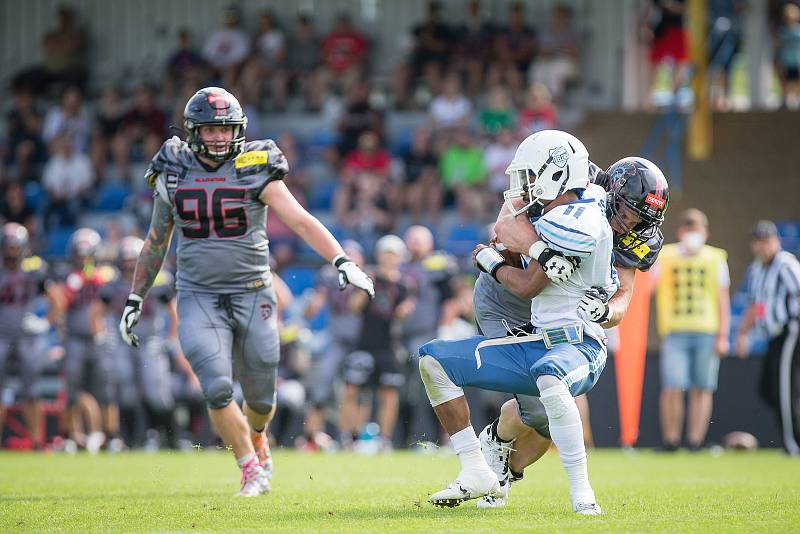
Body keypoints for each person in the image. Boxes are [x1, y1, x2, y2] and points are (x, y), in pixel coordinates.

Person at [118, 87, 374, 496]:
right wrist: (135, 297)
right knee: (217, 387)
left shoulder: (254, 166)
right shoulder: (173, 169)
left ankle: (257, 437)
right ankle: (250, 468)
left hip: (253, 292)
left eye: (226, 128)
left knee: (261, 399)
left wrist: (342, 261)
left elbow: (302, 221)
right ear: (193, 131)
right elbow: (155, 240)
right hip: (197, 295)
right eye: (210, 129)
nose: (220, 137)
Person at [417, 130, 615, 514]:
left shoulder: (585, 215)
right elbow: (506, 228)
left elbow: (527, 270)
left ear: (557, 173)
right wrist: (527, 247)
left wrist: (508, 252)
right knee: (432, 360)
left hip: (574, 341)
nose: (522, 188)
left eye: (529, 176)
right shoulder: (554, 211)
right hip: (528, 331)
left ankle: (577, 492)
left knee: (546, 394)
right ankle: (476, 468)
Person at [474, 155, 669, 508]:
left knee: (553, 414)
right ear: (610, 190)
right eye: (627, 212)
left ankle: (503, 464)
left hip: (561, 310)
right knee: (540, 408)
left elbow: (623, 296)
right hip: (510, 297)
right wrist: (542, 252)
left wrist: (606, 311)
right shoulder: (576, 182)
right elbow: (506, 222)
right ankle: (497, 445)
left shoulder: (639, 237)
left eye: (641, 218)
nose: (630, 224)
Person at [653, 209, 730, 451]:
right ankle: (671, 441)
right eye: (687, 229)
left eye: (696, 229)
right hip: (674, 331)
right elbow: (650, 287)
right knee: (672, 387)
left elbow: (723, 299)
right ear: (680, 232)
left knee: (702, 388)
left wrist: (723, 335)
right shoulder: (665, 256)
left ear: (705, 233)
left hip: (707, 330)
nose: (691, 234)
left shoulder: (716, 258)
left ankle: (696, 441)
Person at [102, 236, 179, 448]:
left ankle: (170, 435)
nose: (128, 264)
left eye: (131, 260)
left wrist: (170, 339)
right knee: (126, 392)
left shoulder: (158, 281)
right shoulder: (112, 284)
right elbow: (98, 311)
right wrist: (103, 335)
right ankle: (134, 438)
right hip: (122, 341)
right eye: (125, 260)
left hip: (151, 340)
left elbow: (174, 312)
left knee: (156, 392)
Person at [340, 235, 415, 450]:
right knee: (353, 390)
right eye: (387, 253)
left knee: (389, 394)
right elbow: (354, 307)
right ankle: (349, 437)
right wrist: (366, 287)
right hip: (364, 343)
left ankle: (384, 440)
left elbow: (403, 313)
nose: (390, 258)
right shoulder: (368, 277)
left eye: (394, 254)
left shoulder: (404, 284)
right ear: (379, 255)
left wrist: (405, 312)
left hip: (389, 346)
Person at [736, 220, 800, 455]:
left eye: (767, 241)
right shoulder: (757, 269)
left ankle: (793, 445)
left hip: (791, 331)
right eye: (759, 242)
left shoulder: (785, 265)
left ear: (776, 241)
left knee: (785, 391)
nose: (763, 246)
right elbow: (754, 305)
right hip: (772, 336)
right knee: (769, 389)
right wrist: (743, 333)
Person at [54, 228, 119, 453]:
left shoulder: (105, 275)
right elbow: (60, 303)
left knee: (106, 390)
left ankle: (110, 436)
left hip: (100, 338)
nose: (83, 259)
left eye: (87, 254)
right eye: (80, 254)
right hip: (75, 338)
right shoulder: (68, 277)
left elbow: (109, 297)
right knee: (71, 390)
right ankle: (71, 435)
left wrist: (88, 277)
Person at [299, 240, 365, 451]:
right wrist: (309, 309)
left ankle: (352, 439)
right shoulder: (330, 276)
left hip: (359, 340)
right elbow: (314, 305)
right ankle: (310, 437)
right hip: (335, 339)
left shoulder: (366, 277)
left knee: (353, 390)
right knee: (320, 388)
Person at [0, 224, 54, 450]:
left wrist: (46, 323)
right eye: (9, 244)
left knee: (32, 391)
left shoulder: (34, 269)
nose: (12, 249)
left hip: (26, 337)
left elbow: (57, 298)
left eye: (15, 245)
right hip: (2, 335)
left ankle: (36, 441)